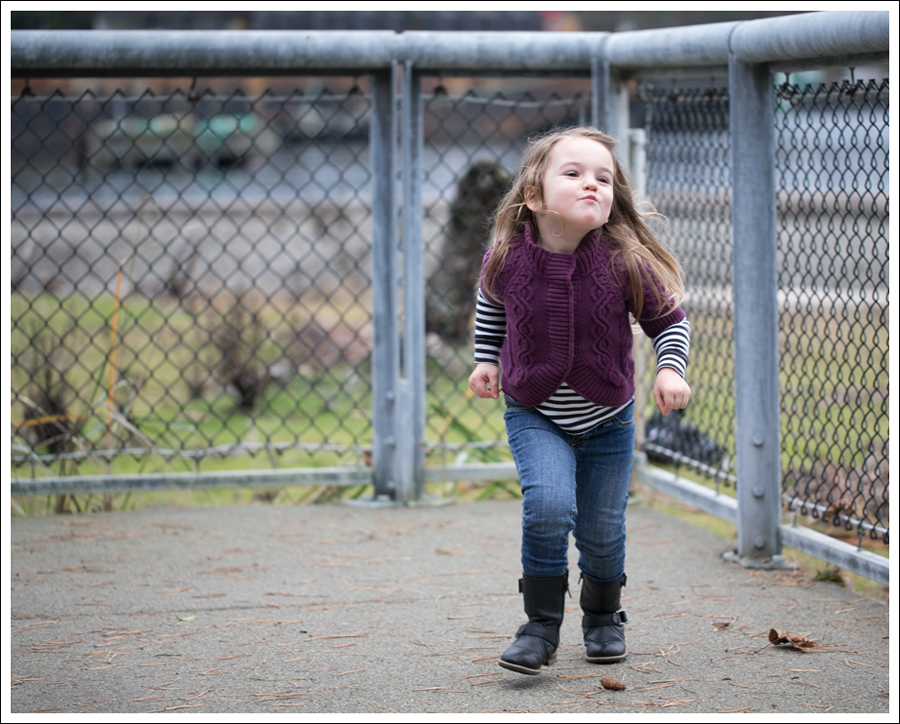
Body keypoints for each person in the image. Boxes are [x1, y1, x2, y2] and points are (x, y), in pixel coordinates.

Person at [468, 126, 691, 675]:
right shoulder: (505, 259)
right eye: (573, 174)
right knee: (547, 508)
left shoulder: (624, 260)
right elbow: (491, 307)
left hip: (609, 418)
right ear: (534, 195)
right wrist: (486, 359)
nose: (592, 185)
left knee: (600, 528)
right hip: (534, 411)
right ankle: (540, 626)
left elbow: (670, 323)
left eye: (604, 178)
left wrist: (669, 368)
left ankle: (603, 617)